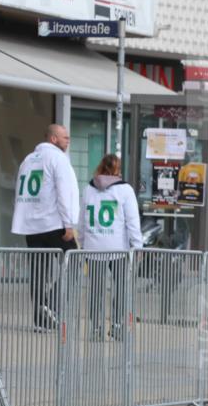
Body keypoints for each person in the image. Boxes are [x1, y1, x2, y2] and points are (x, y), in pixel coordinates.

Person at [11, 124, 80, 330]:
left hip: (31, 224)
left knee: (38, 271)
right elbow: (64, 193)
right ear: (53, 139)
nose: (68, 141)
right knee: (73, 261)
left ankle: (41, 318)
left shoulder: (28, 160)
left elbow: (19, 191)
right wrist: (69, 224)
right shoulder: (57, 159)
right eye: (64, 138)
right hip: (53, 222)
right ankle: (50, 305)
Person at [78, 154, 144, 341]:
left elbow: (82, 220)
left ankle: (96, 328)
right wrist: (137, 245)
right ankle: (116, 325)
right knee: (121, 288)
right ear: (117, 169)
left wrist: (82, 243)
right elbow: (132, 221)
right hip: (118, 249)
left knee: (95, 290)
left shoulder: (88, 189)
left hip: (93, 247)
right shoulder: (125, 190)